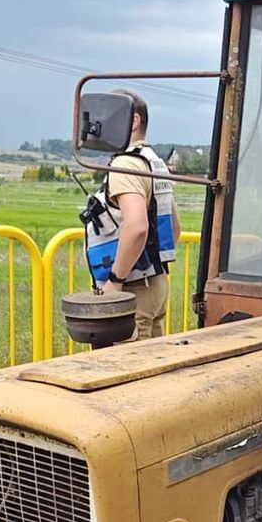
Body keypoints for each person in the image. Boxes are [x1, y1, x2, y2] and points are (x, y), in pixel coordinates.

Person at [97, 89, 180, 339]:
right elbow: (174, 227)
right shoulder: (153, 162)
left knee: (130, 369)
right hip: (155, 283)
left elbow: (137, 227)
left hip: (132, 289)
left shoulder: (125, 164)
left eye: (108, 117)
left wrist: (115, 281)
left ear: (133, 121)